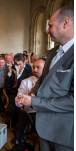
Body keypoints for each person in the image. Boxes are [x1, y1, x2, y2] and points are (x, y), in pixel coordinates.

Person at [18, 6, 74, 151]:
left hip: (64, 131)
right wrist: (30, 95)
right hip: (44, 128)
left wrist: (35, 102)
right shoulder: (53, 52)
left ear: (65, 23)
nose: (47, 30)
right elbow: (43, 81)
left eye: (50, 25)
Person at [5, 53, 33, 128]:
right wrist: (10, 74)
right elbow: (7, 85)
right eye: (17, 64)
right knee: (10, 111)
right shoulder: (13, 70)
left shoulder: (28, 72)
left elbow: (22, 86)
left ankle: (23, 127)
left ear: (24, 63)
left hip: (24, 95)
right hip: (13, 94)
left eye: (20, 64)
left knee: (24, 112)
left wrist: (18, 75)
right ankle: (16, 125)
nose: (18, 66)